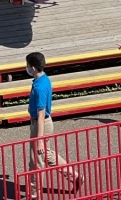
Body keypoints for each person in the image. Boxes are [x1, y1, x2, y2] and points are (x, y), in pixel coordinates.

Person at [24, 52, 80, 197]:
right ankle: (75, 176)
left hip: (40, 124)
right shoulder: (43, 79)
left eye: (28, 66)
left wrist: (40, 139)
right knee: (46, 155)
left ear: (34, 68)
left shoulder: (39, 88)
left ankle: (34, 194)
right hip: (40, 123)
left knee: (36, 160)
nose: (27, 68)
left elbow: (41, 114)